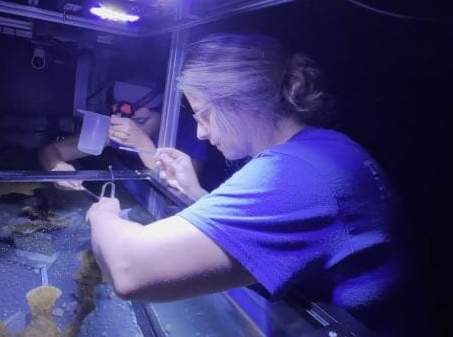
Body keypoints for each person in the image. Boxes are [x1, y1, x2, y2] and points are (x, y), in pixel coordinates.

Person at [85, 33, 404, 334]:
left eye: (202, 115)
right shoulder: (327, 148)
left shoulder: (292, 174)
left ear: (238, 102)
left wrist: (104, 215)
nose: (200, 134)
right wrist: (196, 194)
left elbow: (129, 270)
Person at [38, 80, 209, 191]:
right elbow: (50, 150)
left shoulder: (190, 129)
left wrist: (140, 141)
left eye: (141, 121)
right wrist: (57, 167)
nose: (129, 128)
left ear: (165, 112)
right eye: (125, 119)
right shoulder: (119, 127)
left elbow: (187, 185)